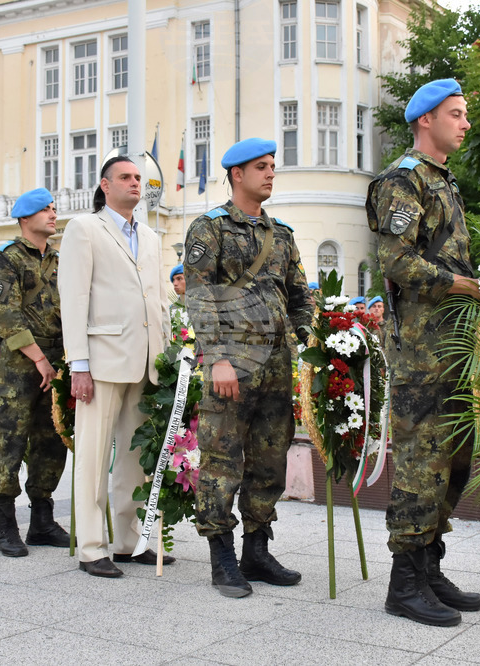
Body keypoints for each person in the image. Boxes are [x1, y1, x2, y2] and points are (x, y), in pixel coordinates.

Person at [365, 78, 480, 626]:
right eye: (455, 114)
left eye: (463, 114)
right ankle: (404, 582)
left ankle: (430, 568)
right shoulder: (401, 182)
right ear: (425, 121)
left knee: (453, 461)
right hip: (420, 351)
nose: (464, 122)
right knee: (420, 463)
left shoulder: (444, 183)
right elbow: (399, 264)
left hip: (454, 346)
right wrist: (466, 287)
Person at [184, 138, 314, 598]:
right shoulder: (210, 228)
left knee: (269, 461)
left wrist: (309, 343)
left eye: (273, 166)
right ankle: (222, 557)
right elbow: (199, 296)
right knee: (222, 461)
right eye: (261, 167)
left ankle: (255, 550)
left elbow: (300, 296)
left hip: (276, 369)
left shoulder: (282, 235)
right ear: (236, 174)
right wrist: (216, 357)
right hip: (231, 367)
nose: (271, 173)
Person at [59, 156, 171, 578]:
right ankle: (91, 548)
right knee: (92, 454)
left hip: (145, 361)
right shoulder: (85, 228)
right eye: (126, 177)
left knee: (136, 455)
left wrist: (169, 350)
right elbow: (74, 299)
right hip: (101, 361)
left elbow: (159, 300)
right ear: (105, 185)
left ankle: (128, 541)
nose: (135, 183)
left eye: (139, 177)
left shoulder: (151, 236)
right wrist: (79, 365)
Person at [0, 188, 71, 557]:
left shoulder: (60, 258)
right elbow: (7, 316)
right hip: (20, 366)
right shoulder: (6, 260)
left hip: (57, 361)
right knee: (11, 443)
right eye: (44, 210)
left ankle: (42, 521)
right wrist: (39, 359)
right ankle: (5, 525)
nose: (52, 215)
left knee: (52, 441)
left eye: (53, 209)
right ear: (24, 219)